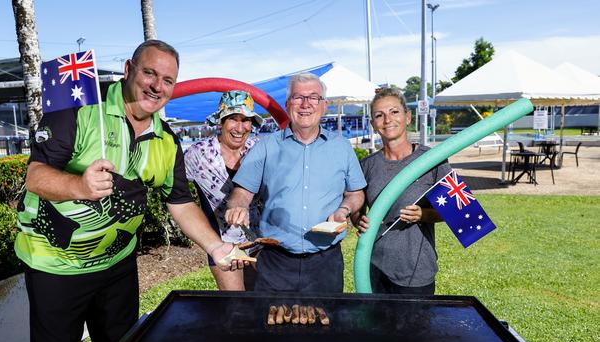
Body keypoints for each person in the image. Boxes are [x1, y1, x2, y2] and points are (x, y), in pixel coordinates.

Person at [14, 40, 243, 342]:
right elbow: (35, 176)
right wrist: (79, 185)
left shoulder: (166, 140)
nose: (157, 85)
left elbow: (179, 202)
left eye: (167, 80)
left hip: (117, 265)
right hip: (55, 266)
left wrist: (215, 246)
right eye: (149, 73)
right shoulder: (79, 111)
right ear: (128, 70)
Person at [225, 73, 366, 293]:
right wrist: (238, 206)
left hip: (325, 262)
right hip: (275, 262)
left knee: (324, 322)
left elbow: (356, 193)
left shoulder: (342, 147)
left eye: (313, 97)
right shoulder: (266, 146)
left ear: (324, 105)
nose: (305, 104)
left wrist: (344, 210)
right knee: (272, 323)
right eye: (298, 97)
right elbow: (242, 191)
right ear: (288, 104)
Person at [353, 87, 452, 295]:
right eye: (379, 115)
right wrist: (358, 220)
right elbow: (357, 212)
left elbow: (457, 210)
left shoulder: (433, 160)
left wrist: (423, 215)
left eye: (394, 112)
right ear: (373, 125)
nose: (388, 119)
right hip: (374, 268)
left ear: (407, 117)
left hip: (416, 272)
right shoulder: (366, 166)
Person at [184, 90, 263, 291]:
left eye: (246, 120)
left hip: (260, 242)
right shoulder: (197, 154)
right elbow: (174, 192)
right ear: (221, 122)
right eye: (233, 119)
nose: (240, 127)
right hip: (222, 245)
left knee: (263, 304)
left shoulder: (260, 149)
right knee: (237, 308)